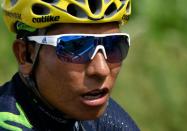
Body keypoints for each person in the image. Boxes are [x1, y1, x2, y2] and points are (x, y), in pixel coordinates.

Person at [0, 0, 140, 130]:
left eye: (113, 45)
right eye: (75, 47)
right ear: (25, 56)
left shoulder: (102, 118)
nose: (101, 70)